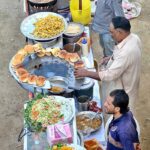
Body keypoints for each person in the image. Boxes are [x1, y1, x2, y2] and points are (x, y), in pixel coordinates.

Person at [74, 17, 142, 113]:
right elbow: (122, 58)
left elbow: (109, 75)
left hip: (122, 92)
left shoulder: (126, 52)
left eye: (112, 32)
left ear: (119, 32)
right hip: (125, 81)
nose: (110, 35)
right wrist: (111, 58)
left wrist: (86, 73)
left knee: (117, 116)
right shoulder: (133, 37)